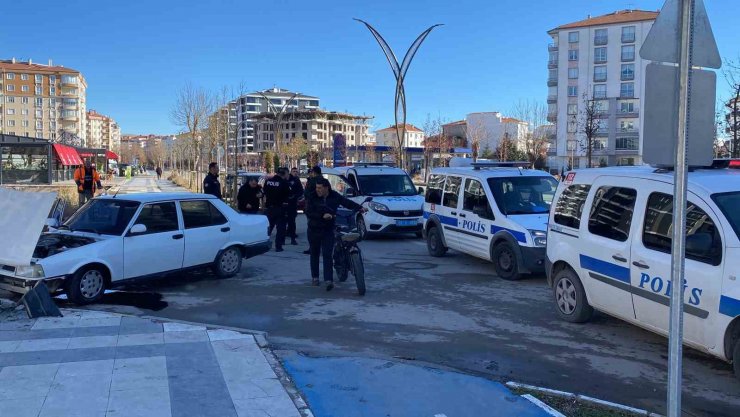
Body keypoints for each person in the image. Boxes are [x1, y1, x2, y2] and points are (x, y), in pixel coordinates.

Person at [305, 178, 365, 291]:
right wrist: (321, 216)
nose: (317, 190)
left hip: (328, 229)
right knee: (315, 254)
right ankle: (315, 277)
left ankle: (328, 280)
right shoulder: (312, 196)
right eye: (317, 188)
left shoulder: (334, 196)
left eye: (320, 188)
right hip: (314, 229)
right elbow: (308, 211)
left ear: (326, 187)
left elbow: (346, 202)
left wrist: (359, 208)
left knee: (327, 254)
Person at [263, 168, 290, 252]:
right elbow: (288, 194)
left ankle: (264, 245)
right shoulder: (284, 183)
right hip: (280, 208)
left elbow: (265, 192)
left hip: (269, 208)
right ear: (283, 174)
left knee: (269, 228)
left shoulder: (268, 182)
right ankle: (278, 246)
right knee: (280, 228)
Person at [302, 166, 322, 254]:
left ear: (313, 172)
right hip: (323, 208)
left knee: (312, 229)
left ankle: (313, 248)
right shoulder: (324, 181)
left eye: (311, 172)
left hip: (312, 209)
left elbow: (306, 194)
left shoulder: (312, 181)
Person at [286, 167, 304, 245]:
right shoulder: (286, 179)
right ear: (290, 172)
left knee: (292, 219)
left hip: (293, 202)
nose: (295, 172)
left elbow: (300, 190)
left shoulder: (296, 180)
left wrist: (295, 196)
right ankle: (286, 232)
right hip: (284, 202)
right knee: (284, 219)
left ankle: (292, 233)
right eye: (294, 171)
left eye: (296, 171)